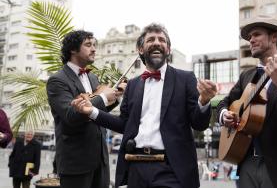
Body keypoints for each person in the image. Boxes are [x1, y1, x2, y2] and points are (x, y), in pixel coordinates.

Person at [72, 23, 217, 188]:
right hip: (135, 167)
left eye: (162, 39)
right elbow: (124, 124)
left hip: (172, 170)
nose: (156, 42)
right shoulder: (133, 85)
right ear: (140, 49)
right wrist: (92, 111)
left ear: (168, 50)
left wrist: (204, 101)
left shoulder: (185, 79)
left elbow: (199, 123)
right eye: (151, 39)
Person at [217, 16, 277, 188]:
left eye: (256, 35)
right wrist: (225, 115)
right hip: (247, 164)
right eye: (249, 38)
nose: (251, 40)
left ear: (274, 37)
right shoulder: (246, 76)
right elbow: (224, 102)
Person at [46, 30, 125, 188]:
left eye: (94, 45)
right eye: (88, 45)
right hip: (76, 162)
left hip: (100, 160)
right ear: (73, 50)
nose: (94, 49)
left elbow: (97, 114)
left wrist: (115, 96)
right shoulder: (57, 80)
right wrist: (102, 97)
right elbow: (70, 115)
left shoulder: (92, 77)